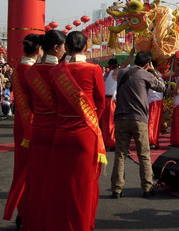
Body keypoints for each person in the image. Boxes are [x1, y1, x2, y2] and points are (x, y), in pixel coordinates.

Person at [45, 31, 106, 230]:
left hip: (61, 133)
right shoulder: (94, 69)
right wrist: (91, 121)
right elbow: (101, 103)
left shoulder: (56, 71)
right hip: (85, 135)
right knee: (84, 185)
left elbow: (53, 103)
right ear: (86, 47)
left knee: (61, 184)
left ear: (68, 48)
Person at [24, 29, 66, 231]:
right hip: (57, 130)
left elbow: (30, 104)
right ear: (56, 48)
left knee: (37, 177)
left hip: (38, 128)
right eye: (64, 46)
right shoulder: (62, 72)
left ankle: (31, 218)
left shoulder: (31, 71)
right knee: (56, 178)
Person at [110, 51, 165, 199]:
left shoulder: (122, 73)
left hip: (121, 117)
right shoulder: (145, 74)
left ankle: (117, 188)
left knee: (120, 155)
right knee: (144, 155)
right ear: (147, 64)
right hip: (138, 118)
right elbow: (161, 87)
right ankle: (147, 187)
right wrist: (153, 71)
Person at [3, 33, 43, 230]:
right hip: (34, 125)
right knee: (34, 170)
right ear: (39, 50)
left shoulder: (18, 67)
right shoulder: (32, 71)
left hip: (21, 121)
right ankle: (29, 214)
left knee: (21, 168)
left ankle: (22, 212)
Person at [101, 58, 119, 150]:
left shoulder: (107, 75)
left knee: (106, 123)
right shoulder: (113, 73)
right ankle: (111, 142)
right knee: (110, 122)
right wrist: (131, 55)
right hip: (110, 101)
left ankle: (107, 141)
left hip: (106, 100)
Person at [147, 60, 164, 149]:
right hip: (152, 100)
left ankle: (154, 140)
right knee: (152, 121)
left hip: (158, 100)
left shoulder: (158, 74)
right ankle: (150, 141)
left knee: (156, 122)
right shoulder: (147, 75)